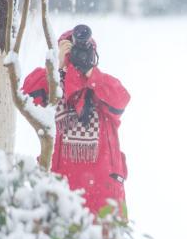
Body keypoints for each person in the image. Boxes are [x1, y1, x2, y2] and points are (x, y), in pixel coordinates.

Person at [22, 24, 130, 216]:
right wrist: (55, 67)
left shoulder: (100, 85)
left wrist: (90, 72)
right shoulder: (53, 88)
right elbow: (26, 96)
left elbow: (121, 99)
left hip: (103, 192)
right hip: (61, 190)